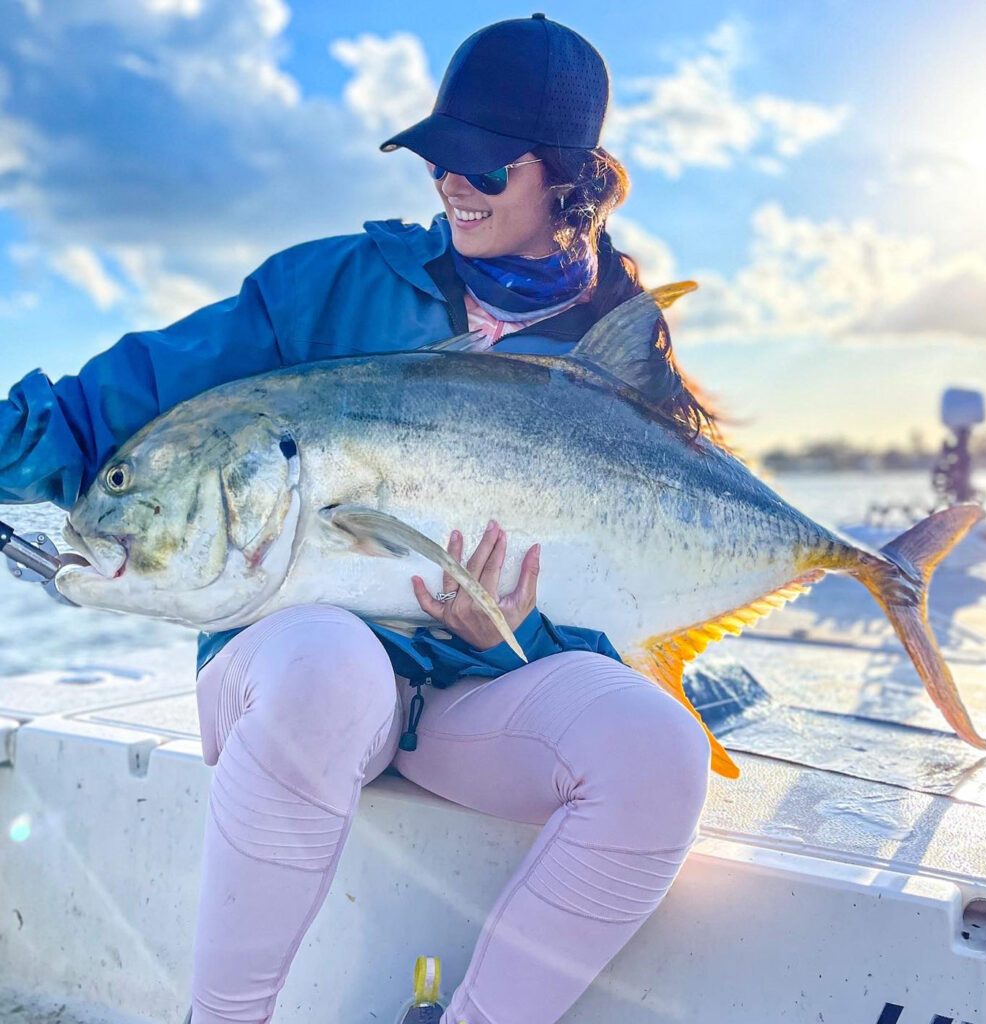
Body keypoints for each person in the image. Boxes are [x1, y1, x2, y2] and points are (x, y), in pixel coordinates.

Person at [0, 15, 719, 1024]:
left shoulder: (613, 352)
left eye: (483, 165)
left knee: (659, 750)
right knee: (328, 662)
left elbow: (625, 584)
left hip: (470, 711)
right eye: (437, 159)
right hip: (289, 680)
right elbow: (92, 419)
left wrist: (515, 635)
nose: (451, 184)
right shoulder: (328, 286)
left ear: (567, 179)